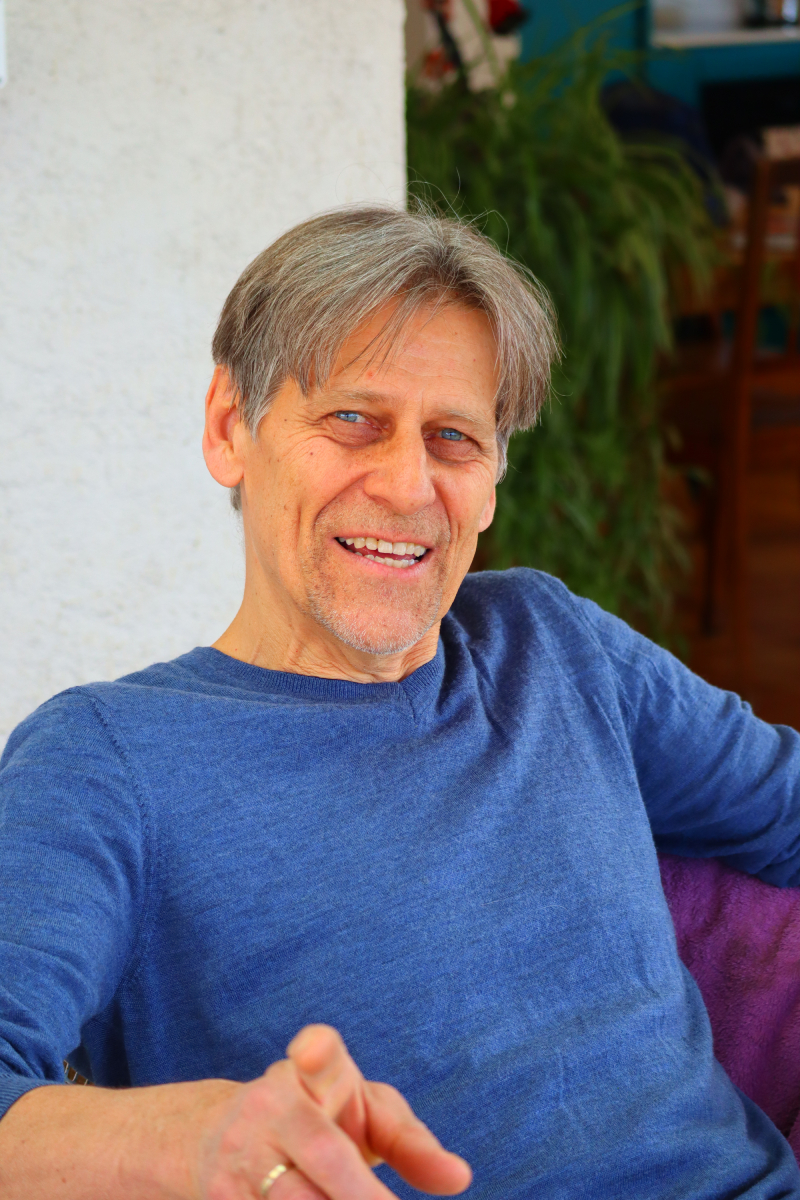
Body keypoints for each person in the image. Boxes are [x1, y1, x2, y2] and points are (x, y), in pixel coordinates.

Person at [0, 204, 799, 1200]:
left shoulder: (551, 644)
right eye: (353, 420)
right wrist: (177, 1143)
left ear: (492, 480)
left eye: (453, 437)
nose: (407, 483)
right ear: (229, 428)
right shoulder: (103, 757)